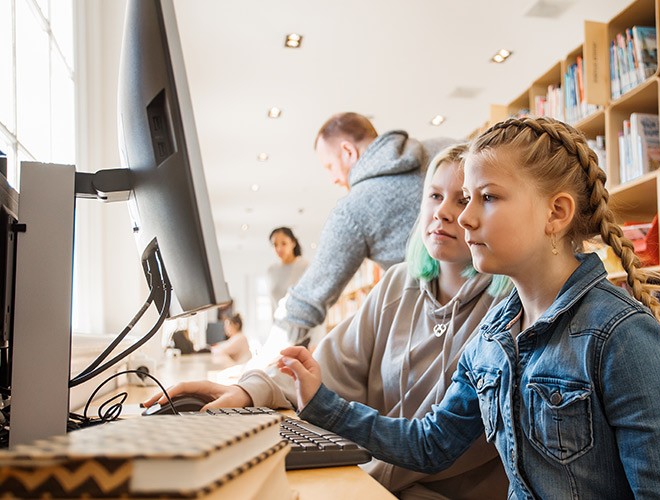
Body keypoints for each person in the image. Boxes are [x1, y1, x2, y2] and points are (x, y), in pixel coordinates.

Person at [278, 117, 660, 499]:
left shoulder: (622, 338)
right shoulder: (493, 335)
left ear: (556, 213)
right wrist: (320, 402)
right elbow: (430, 445)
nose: (464, 218)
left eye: (486, 198)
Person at [145, 144, 512, 499]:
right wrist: (246, 391)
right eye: (434, 196)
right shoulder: (398, 284)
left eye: (462, 199)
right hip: (373, 478)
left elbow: (443, 444)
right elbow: (323, 369)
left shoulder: (510, 307)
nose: (445, 212)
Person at [279, 112, 453, 345]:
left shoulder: (353, 209)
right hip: (503, 309)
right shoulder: (447, 149)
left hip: (439, 334)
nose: (332, 178)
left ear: (348, 152)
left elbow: (307, 302)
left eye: (330, 166)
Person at [266, 227, 308, 316]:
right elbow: (273, 306)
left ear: (293, 243)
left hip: (305, 326)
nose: (279, 249)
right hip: (282, 326)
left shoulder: (305, 267)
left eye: (284, 243)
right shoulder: (271, 270)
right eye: (275, 245)